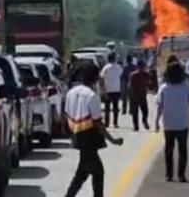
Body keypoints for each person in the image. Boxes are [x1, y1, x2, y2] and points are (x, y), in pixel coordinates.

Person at [65, 62, 124, 197]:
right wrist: (112, 140)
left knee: (83, 172)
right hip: (89, 137)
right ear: (95, 78)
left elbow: (66, 114)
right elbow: (98, 122)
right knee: (97, 171)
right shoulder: (92, 95)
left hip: (76, 134)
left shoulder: (71, 93)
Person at [155, 56, 189, 183]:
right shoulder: (186, 86)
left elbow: (160, 106)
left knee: (169, 149)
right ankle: (181, 175)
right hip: (182, 123)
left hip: (168, 123)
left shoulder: (164, 87)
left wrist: (156, 121)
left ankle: (169, 174)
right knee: (182, 150)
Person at [128, 60, 155, 131]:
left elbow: (150, 84)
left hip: (142, 95)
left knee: (145, 111)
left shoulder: (147, 74)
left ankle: (144, 120)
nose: (141, 68)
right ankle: (136, 126)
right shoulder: (134, 75)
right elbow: (130, 86)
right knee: (135, 112)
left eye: (142, 67)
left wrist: (150, 87)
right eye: (140, 67)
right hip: (135, 95)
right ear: (138, 67)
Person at [100, 54, 123, 128]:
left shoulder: (105, 68)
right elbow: (120, 74)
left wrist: (103, 90)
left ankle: (107, 123)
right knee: (115, 107)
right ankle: (115, 123)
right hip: (116, 89)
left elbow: (102, 78)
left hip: (108, 89)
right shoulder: (118, 67)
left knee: (107, 108)